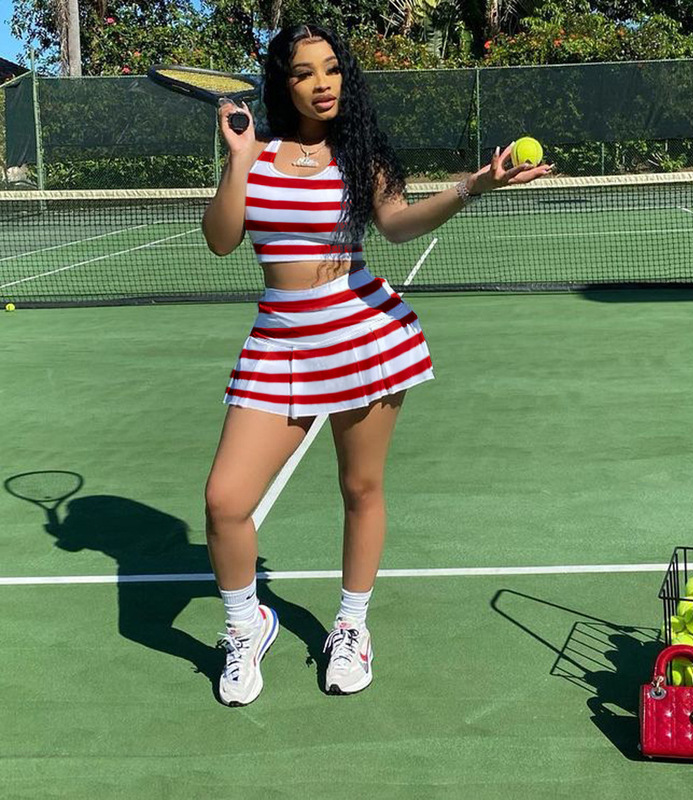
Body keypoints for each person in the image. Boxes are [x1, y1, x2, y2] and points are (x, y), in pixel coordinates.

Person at [201, 23, 552, 707]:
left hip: (363, 338)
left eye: (332, 68)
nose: (322, 83)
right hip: (278, 346)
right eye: (304, 72)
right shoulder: (256, 153)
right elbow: (220, 241)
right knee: (224, 501)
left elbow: (397, 225)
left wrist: (477, 185)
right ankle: (247, 626)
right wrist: (238, 160)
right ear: (282, 84)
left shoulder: (359, 154)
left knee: (360, 488)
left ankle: (351, 626)